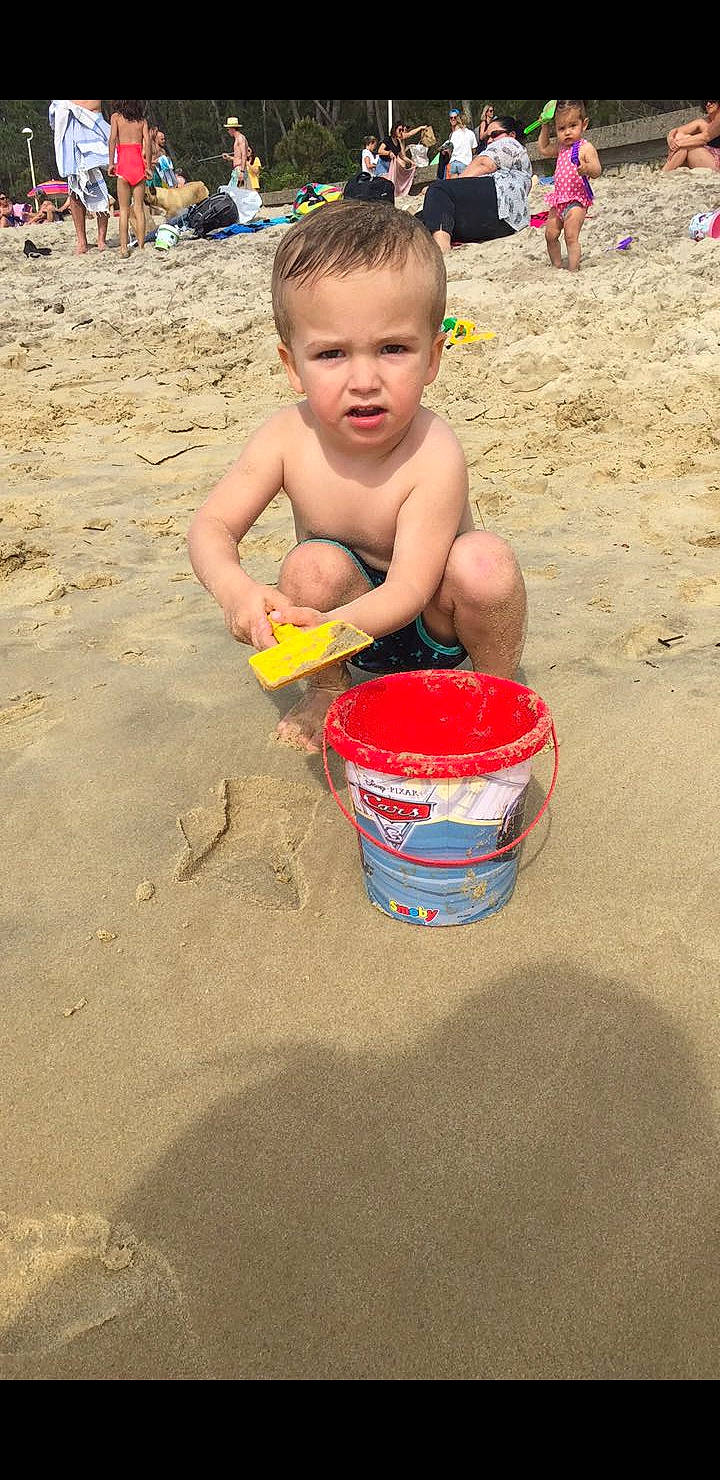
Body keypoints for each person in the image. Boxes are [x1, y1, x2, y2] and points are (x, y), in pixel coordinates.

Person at [187, 202, 527, 753]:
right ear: (292, 365)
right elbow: (211, 525)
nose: (364, 379)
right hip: (341, 636)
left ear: (434, 356)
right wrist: (237, 592)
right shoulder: (286, 438)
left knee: (485, 563)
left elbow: (411, 588)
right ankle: (328, 689)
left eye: (393, 349)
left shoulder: (432, 451)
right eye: (331, 354)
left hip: (432, 629)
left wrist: (318, 630)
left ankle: (496, 689)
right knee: (310, 565)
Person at [420, 115, 532, 254]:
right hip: (504, 222)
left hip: (500, 205)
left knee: (438, 190)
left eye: (494, 134)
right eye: (487, 137)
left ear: (511, 134)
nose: (490, 140)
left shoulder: (510, 143)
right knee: (427, 214)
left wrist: (448, 188)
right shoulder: (519, 162)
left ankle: (442, 251)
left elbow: (484, 163)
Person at [537, 99, 601, 271]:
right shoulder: (560, 147)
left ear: (584, 124)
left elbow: (597, 170)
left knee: (570, 236)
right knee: (550, 235)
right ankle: (557, 266)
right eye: (561, 128)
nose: (567, 132)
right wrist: (544, 126)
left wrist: (587, 168)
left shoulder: (585, 148)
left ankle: (573, 270)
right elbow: (543, 149)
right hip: (559, 200)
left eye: (573, 126)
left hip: (577, 201)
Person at [49, 99, 111, 254]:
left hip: (91, 145)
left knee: (100, 190)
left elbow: (94, 106)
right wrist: (66, 107)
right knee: (75, 194)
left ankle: (101, 239)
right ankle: (81, 240)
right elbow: (57, 110)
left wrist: (71, 107)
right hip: (72, 146)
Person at [108, 100, 151, 258]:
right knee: (139, 208)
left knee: (124, 210)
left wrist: (111, 163)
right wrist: (148, 167)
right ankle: (141, 245)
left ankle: (124, 248)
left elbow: (112, 140)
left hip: (124, 165)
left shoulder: (116, 118)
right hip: (138, 165)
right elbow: (147, 144)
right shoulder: (142, 121)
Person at [663, 100, 720, 172]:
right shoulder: (702, 122)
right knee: (681, 137)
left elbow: (705, 138)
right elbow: (676, 131)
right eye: (705, 102)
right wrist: (671, 140)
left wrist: (678, 144)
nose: (708, 104)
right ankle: (665, 171)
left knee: (686, 144)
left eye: (712, 101)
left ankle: (664, 172)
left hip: (717, 162)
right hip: (707, 157)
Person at [375, 120, 428, 195]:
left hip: (391, 166)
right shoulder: (388, 139)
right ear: (394, 130)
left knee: (389, 185)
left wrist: (411, 162)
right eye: (400, 130)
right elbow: (380, 151)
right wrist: (389, 153)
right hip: (383, 165)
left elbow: (402, 156)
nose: (401, 132)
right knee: (383, 185)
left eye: (402, 130)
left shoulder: (399, 142)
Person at [438, 109, 478, 178]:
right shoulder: (471, 133)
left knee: (454, 187)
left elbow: (451, 149)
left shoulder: (453, 134)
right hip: (465, 163)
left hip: (453, 163)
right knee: (464, 186)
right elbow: (474, 150)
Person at [223, 116, 249, 188]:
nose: (228, 131)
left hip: (240, 169)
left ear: (232, 128)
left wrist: (242, 171)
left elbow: (244, 155)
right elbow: (238, 157)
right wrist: (229, 158)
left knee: (237, 193)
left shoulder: (240, 138)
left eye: (228, 129)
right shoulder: (237, 139)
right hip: (237, 169)